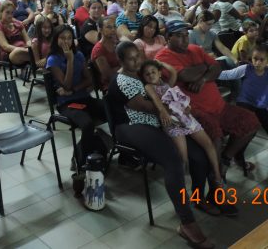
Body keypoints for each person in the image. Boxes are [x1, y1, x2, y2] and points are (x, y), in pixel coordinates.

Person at [109, 41, 214, 247]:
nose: (137, 61)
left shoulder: (140, 73)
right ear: (121, 61)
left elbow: (166, 88)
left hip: (161, 122)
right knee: (173, 161)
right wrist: (175, 104)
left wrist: (177, 105)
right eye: (131, 58)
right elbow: (145, 106)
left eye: (137, 56)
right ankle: (187, 223)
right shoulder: (122, 80)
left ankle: (198, 196)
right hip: (132, 125)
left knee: (199, 155)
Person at [156, 20, 260, 178]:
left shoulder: (195, 49)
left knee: (251, 122)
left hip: (219, 106)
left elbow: (217, 68)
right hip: (194, 111)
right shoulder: (162, 57)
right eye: (179, 36)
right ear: (168, 37)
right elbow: (185, 75)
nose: (185, 40)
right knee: (215, 136)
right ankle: (215, 178)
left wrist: (203, 79)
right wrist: (206, 67)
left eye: (186, 35)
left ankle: (225, 159)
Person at [140, 59, 224, 187]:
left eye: (153, 72)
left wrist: (159, 63)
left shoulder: (167, 84)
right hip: (171, 122)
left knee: (208, 144)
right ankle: (183, 185)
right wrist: (162, 111)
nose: (151, 75)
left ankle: (217, 176)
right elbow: (156, 99)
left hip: (185, 117)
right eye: (147, 74)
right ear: (144, 77)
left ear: (159, 73)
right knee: (183, 157)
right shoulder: (149, 87)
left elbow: (173, 72)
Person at [46, 25, 106, 167]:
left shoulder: (78, 54)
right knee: (87, 124)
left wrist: (73, 90)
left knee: (110, 108)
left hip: (83, 97)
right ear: (56, 40)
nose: (66, 42)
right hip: (66, 103)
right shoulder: (53, 60)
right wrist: (70, 60)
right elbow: (65, 85)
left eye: (69, 38)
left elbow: (89, 80)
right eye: (62, 38)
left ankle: (104, 148)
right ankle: (80, 161)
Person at [218, 44, 268, 134]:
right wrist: (210, 74)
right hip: (244, 102)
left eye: (262, 60)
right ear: (251, 58)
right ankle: (222, 135)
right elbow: (227, 74)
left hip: (261, 105)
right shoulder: (246, 69)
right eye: (255, 59)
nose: (257, 63)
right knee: (239, 122)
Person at [0, 1, 31, 66]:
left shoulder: (18, 24)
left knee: (37, 44)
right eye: (7, 12)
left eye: (12, 13)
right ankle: (36, 59)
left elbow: (27, 40)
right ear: (1, 12)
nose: (10, 15)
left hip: (25, 50)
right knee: (17, 52)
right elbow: (6, 46)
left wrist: (31, 47)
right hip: (9, 54)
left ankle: (35, 58)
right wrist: (24, 50)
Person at [91, 16, 120, 93]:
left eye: (114, 26)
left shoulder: (117, 43)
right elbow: (109, 76)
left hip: (123, 78)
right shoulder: (98, 50)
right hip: (111, 86)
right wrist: (124, 67)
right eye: (109, 27)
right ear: (100, 30)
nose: (113, 30)